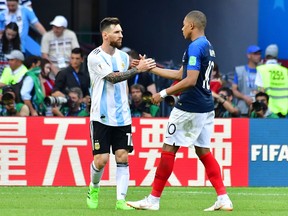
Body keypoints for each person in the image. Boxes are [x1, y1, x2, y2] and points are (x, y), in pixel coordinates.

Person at [127, 10, 233, 211]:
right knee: (203, 151)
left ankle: (153, 200)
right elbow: (180, 74)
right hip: (205, 106)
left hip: (189, 107)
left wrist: (163, 93)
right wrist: (151, 68)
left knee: (169, 149)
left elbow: (190, 81)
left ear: (192, 25)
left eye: (184, 24)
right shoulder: (207, 46)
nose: (182, 28)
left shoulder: (195, 47)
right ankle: (223, 198)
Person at [86, 17, 156, 210]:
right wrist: (136, 69)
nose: (121, 35)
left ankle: (120, 200)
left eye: (122, 32)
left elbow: (125, 77)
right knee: (101, 160)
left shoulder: (124, 57)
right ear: (105, 35)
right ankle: (94, 186)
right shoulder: (95, 56)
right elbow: (113, 78)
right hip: (100, 115)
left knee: (122, 156)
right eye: (117, 32)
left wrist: (139, 66)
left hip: (122, 116)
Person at [255, 44, 288, 118]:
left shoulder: (261, 69)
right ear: (276, 56)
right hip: (285, 110)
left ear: (266, 56)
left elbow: (261, 91)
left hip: (269, 111)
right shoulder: (285, 71)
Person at [231, 45, 262, 116]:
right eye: (255, 54)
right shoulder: (240, 71)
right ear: (249, 55)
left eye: (259, 54)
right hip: (243, 108)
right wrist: (245, 97)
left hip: (258, 108)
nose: (258, 56)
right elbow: (234, 89)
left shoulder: (262, 71)